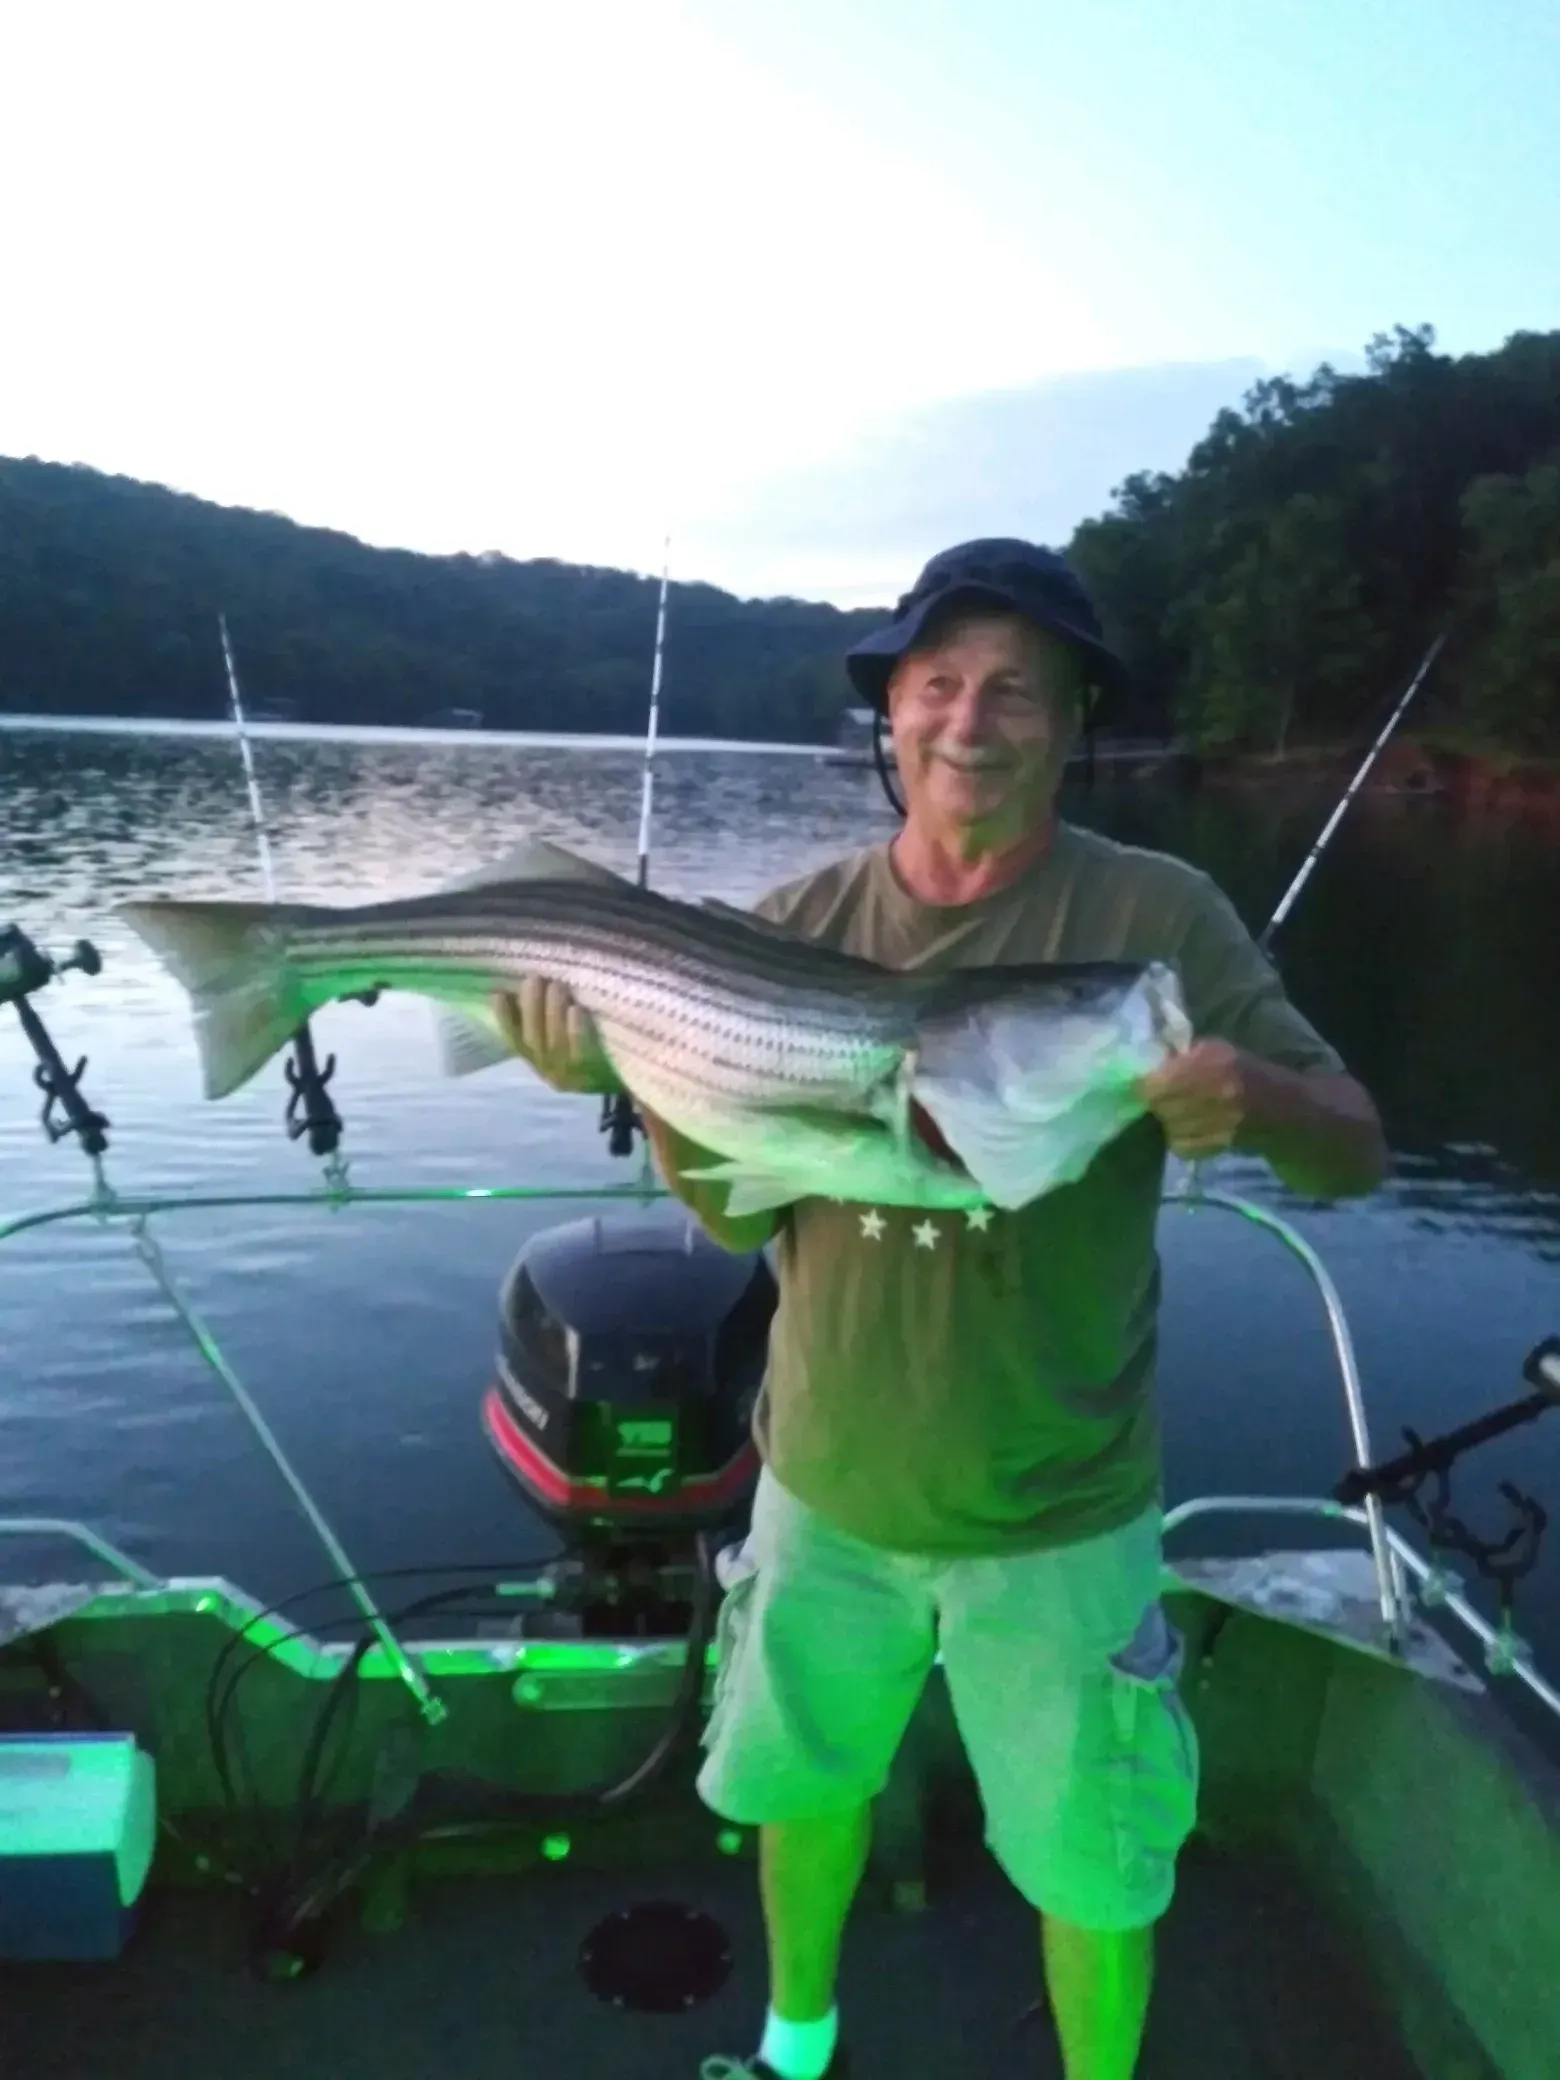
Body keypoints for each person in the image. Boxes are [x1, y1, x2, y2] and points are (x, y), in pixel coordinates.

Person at [492, 537, 1388, 2080]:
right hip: (824, 1481)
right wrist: (630, 1074)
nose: (972, 719)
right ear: (891, 719)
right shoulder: (797, 920)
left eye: (1017, 692)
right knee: (805, 1790)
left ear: (1072, 723)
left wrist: (1257, 1095)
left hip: (1060, 1505)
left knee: (1094, 1859)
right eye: (939, 685)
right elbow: (733, 1205)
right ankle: (793, 2046)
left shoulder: (1154, 918)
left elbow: (1359, 1148)